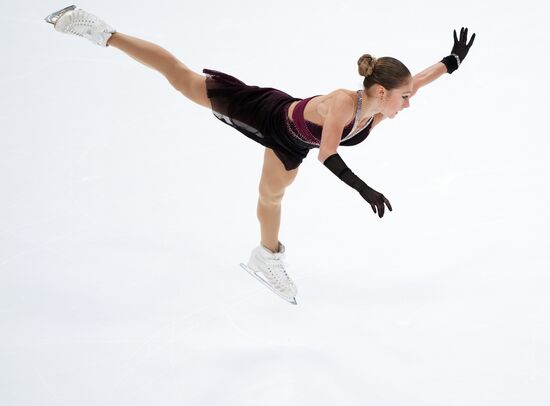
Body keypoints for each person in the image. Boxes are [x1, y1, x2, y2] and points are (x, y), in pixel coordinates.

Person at [45, 5, 475, 305]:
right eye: (403, 98)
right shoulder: (347, 103)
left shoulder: (386, 101)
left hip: (292, 142)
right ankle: (97, 29)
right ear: (380, 92)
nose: (408, 102)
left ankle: (266, 257)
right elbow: (327, 154)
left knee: (272, 196)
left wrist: (452, 60)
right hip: (268, 116)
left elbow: (422, 76)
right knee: (182, 79)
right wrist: (365, 190)